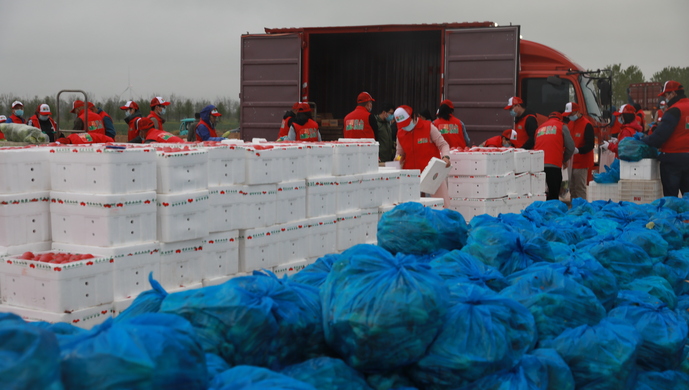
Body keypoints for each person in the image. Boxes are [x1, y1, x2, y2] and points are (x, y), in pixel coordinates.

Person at [394, 105, 451, 206]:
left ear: (414, 117)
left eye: (407, 124)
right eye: (402, 125)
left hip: (433, 173)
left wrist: (445, 157)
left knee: (441, 206)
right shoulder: (400, 133)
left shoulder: (428, 127)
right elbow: (400, 153)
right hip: (412, 176)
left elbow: (443, 144)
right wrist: (397, 160)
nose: (405, 127)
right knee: (413, 209)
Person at [640, 80, 689, 197]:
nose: (665, 99)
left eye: (666, 95)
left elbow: (660, 136)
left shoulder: (674, 110)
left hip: (673, 158)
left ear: (673, 94)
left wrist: (642, 141)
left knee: (671, 198)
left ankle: (673, 215)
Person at [533, 112, 575, 201]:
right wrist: (564, 159)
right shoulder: (561, 126)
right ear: (560, 119)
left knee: (540, 195)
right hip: (553, 164)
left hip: (538, 165)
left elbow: (535, 144)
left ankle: (540, 212)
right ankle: (552, 212)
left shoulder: (540, 128)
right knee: (553, 195)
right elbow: (571, 147)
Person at [562, 102, 594, 200]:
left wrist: (579, 150)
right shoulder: (570, 124)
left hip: (582, 163)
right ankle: (574, 208)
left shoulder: (587, 125)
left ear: (577, 112)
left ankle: (582, 209)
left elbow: (590, 145)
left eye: (571, 114)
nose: (569, 116)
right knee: (571, 188)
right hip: (571, 162)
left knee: (580, 188)